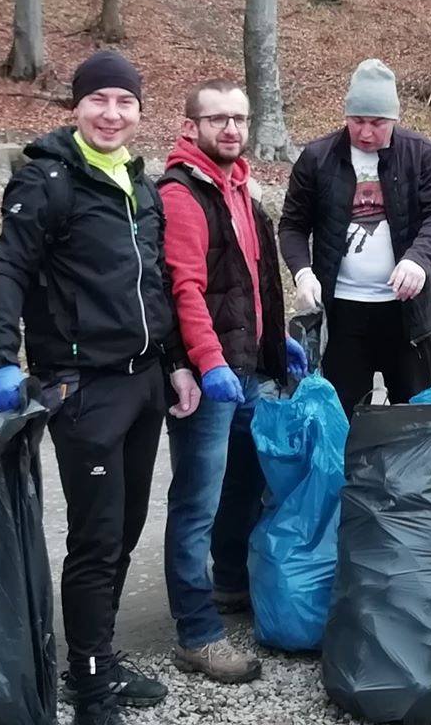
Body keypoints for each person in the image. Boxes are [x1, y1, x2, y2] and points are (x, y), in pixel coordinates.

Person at [0, 49, 201, 725]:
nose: (112, 113)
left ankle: (95, 657)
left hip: (142, 385)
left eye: (124, 102)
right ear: (77, 107)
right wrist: (2, 359)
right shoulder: (46, 182)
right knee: (97, 537)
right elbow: (8, 273)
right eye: (99, 100)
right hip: (82, 389)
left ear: (140, 111)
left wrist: (175, 362)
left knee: (127, 526)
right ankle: (92, 689)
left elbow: (152, 288)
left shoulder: (139, 181)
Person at [156, 79, 311, 684]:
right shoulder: (182, 193)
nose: (230, 129)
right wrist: (209, 361)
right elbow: (186, 288)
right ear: (190, 126)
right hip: (209, 375)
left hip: (248, 368)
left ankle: (228, 585)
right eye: (217, 119)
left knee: (244, 485)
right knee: (197, 500)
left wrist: (278, 343)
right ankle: (196, 633)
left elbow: (251, 281)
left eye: (239, 119)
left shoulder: (239, 185)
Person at [278, 58, 431, 415]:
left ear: (395, 118)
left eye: (378, 123)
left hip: (407, 317)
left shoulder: (420, 154)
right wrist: (302, 272)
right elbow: (292, 225)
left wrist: (418, 259)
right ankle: (350, 473)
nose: (366, 133)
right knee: (344, 418)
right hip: (343, 313)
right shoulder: (317, 158)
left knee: (411, 420)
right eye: (357, 121)